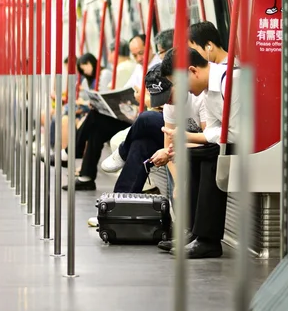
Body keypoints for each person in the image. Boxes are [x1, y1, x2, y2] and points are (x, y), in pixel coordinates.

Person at [158, 47, 239, 259]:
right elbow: (213, 130)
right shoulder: (206, 91)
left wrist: (188, 137)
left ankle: (209, 240)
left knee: (210, 155)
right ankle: (193, 230)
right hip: (228, 140)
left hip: (250, 142)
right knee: (194, 154)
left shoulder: (230, 81)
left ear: (193, 71)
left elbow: (235, 133)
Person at [63, 34, 160, 191]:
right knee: (96, 128)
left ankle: (74, 149)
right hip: (130, 113)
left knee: (95, 118)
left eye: (141, 53)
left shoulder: (158, 66)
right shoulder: (138, 68)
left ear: (149, 47)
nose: (138, 58)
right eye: (134, 55)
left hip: (141, 115)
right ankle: (86, 176)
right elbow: (127, 91)